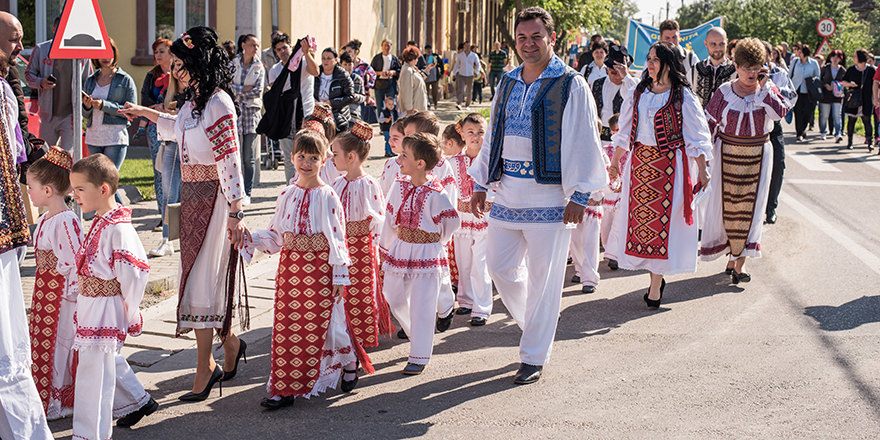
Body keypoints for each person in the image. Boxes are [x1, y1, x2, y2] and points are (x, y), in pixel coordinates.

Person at [469, 7, 608, 385]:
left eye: (536, 37)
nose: (528, 44)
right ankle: (535, 324)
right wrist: (481, 182)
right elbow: (494, 133)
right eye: (522, 38)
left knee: (545, 280)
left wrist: (581, 194)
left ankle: (533, 355)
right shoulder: (508, 80)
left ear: (552, 38)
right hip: (508, 191)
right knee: (499, 266)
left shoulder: (570, 83)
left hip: (551, 197)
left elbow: (584, 138)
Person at [119, 26, 249, 402]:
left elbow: (230, 159)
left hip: (217, 201)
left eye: (180, 64)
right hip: (192, 198)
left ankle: (204, 366)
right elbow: (174, 129)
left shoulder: (219, 103)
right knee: (196, 279)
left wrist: (236, 211)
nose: (175, 70)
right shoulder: (193, 103)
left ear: (199, 64)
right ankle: (231, 344)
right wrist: (143, 112)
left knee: (201, 282)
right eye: (174, 64)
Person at [239, 129, 365, 409]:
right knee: (287, 328)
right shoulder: (286, 193)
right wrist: (250, 238)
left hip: (320, 269)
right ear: (292, 157)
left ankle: (348, 361)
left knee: (329, 324)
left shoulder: (328, 196)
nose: (306, 163)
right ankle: (283, 388)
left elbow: (338, 239)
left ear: (324, 161)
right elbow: (276, 235)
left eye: (313, 158)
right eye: (301, 156)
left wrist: (339, 275)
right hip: (291, 269)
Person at [605, 41, 712, 309]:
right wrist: (616, 163)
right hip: (640, 166)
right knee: (644, 226)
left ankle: (655, 286)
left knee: (665, 226)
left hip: (671, 168)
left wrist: (703, 169)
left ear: (668, 63)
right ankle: (654, 280)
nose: (649, 64)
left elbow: (696, 136)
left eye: (655, 59)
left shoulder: (683, 95)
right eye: (649, 58)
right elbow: (625, 130)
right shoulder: (639, 92)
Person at [68, 154, 157, 438]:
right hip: (93, 307)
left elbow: (134, 275)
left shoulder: (119, 228)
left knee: (95, 375)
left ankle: (90, 433)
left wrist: (130, 312)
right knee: (96, 368)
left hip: (105, 309)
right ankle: (132, 405)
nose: (74, 195)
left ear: (103, 189)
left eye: (80, 189)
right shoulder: (101, 221)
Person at [0, 15, 54, 439]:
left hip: (5, 225)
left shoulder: (5, 88)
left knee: (7, 332)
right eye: (13, 40)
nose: (21, 48)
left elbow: (18, 148)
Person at [700, 38, 792, 284]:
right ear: (737, 66)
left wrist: (764, 87)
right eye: (746, 68)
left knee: (751, 210)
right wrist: (703, 160)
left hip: (758, 157)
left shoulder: (767, 90)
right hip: (726, 156)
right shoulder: (724, 92)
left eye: (756, 68)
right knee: (727, 209)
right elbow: (708, 125)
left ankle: (739, 265)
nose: (751, 73)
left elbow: (779, 113)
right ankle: (732, 257)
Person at [380, 133, 461, 375]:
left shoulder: (437, 194)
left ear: (420, 163)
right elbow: (389, 218)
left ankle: (419, 354)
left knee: (422, 305)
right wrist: (385, 248)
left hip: (427, 252)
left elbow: (452, 222)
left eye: (404, 155)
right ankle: (417, 331)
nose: (399, 159)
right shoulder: (399, 185)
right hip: (401, 247)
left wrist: (435, 242)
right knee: (393, 295)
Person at [25, 147, 81, 420]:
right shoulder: (47, 218)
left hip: (60, 296)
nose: (28, 192)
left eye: (31, 187)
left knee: (59, 345)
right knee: (43, 342)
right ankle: (46, 397)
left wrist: (73, 299)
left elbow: (74, 263)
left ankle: (59, 401)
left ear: (48, 190)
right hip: (45, 290)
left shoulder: (65, 220)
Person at [330, 121, 393, 362]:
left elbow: (379, 219)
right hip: (342, 245)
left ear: (351, 156)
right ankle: (344, 335)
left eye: (335, 154)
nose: (332, 159)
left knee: (362, 291)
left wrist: (375, 249)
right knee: (342, 292)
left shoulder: (369, 184)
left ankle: (362, 336)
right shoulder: (337, 184)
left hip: (362, 247)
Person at [449, 113, 494, 324]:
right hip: (462, 220)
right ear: (462, 135)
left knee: (480, 263)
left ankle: (482, 308)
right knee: (463, 262)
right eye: (471, 132)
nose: (475, 136)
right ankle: (466, 300)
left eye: (480, 132)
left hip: (486, 219)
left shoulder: (492, 160)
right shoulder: (452, 162)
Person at [82, 38, 138, 203]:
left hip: (115, 136)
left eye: (110, 52)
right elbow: (85, 114)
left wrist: (104, 105)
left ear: (115, 54)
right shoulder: (91, 80)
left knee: (108, 180)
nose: (106, 57)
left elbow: (131, 111)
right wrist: (87, 106)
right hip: (94, 136)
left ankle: (121, 213)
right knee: (98, 182)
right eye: (102, 53)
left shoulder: (125, 79)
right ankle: (108, 215)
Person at [24, 15, 90, 153]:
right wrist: (40, 82)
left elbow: (88, 81)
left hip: (71, 115)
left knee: (68, 156)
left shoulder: (81, 53)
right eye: (61, 28)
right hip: (47, 116)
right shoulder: (41, 49)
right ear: (53, 29)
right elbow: (28, 75)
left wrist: (86, 99)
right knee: (45, 155)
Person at [267, 33, 319, 184]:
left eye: (284, 47)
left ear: (290, 47)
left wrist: (306, 53)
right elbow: (275, 92)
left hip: (306, 115)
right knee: (290, 157)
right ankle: (292, 189)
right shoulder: (275, 70)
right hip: (286, 117)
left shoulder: (304, 62)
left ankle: (310, 187)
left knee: (310, 154)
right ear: (275, 52)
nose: (282, 51)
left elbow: (316, 72)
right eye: (278, 49)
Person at [141, 38, 177, 253]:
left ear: (172, 54)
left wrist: (169, 107)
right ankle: (164, 219)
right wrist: (155, 107)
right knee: (160, 171)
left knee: (174, 176)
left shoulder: (179, 74)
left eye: (162, 51)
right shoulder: (151, 75)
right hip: (156, 126)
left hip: (175, 126)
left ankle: (173, 223)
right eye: (156, 52)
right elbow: (144, 98)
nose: (158, 55)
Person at [762, 40, 798, 226]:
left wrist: (769, 88)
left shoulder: (779, 73)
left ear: (770, 56)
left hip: (773, 126)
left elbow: (791, 97)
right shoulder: (745, 72)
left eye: (764, 55)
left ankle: (771, 208)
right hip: (752, 128)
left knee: (779, 164)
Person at [232, 33, 265, 206]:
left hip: (251, 113)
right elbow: (228, 87)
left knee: (248, 156)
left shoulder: (260, 66)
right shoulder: (233, 64)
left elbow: (258, 91)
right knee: (235, 154)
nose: (255, 48)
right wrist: (245, 89)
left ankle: (247, 192)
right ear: (243, 45)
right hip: (236, 112)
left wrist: (239, 92)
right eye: (252, 45)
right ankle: (235, 191)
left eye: (257, 45)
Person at [592, 44, 637, 141]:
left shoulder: (633, 84)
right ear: (607, 69)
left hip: (623, 139)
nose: (618, 76)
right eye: (614, 72)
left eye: (621, 72)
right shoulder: (598, 84)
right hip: (600, 137)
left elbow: (636, 98)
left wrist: (626, 77)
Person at [691, 27, 735, 108]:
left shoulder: (737, 70)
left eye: (721, 44)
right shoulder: (695, 70)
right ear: (706, 44)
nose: (718, 48)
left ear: (727, 42)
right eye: (713, 44)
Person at [315, 47, 356, 132]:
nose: (325, 61)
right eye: (323, 58)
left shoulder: (343, 75)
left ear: (336, 60)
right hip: (318, 117)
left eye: (329, 58)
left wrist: (331, 102)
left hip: (338, 120)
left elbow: (350, 97)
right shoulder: (315, 73)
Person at [842, 49, 876, 151]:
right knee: (851, 120)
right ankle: (850, 142)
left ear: (860, 58)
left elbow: (875, 84)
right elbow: (843, 82)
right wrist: (850, 84)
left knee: (867, 120)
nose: (853, 58)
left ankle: (870, 142)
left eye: (855, 56)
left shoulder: (870, 70)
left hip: (866, 99)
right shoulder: (851, 69)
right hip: (854, 99)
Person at [788, 44, 820, 142]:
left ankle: (803, 129)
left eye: (800, 52)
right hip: (797, 90)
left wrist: (810, 80)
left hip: (808, 91)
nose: (798, 54)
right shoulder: (795, 61)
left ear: (805, 53)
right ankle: (799, 133)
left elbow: (818, 77)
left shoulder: (813, 63)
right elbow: (789, 75)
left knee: (808, 112)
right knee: (798, 112)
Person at [819, 49, 846, 142]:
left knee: (837, 115)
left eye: (837, 58)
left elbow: (845, 82)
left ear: (840, 60)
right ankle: (823, 132)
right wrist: (826, 85)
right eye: (833, 57)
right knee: (824, 115)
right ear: (830, 58)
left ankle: (838, 133)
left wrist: (839, 86)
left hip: (837, 96)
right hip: (825, 96)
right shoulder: (825, 68)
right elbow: (819, 80)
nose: (835, 59)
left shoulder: (842, 70)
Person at [371, 39, 401, 118]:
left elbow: (399, 70)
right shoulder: (377, 58)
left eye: (388, 45)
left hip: (390, 82)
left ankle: (393, 120)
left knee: (392, 103)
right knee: (380, 105)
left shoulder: (394, 58)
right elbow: (371, 71)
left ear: (391, 47)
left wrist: (393, 72)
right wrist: (380, 73)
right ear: (381, 46)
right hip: (379, 83)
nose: (387, 47)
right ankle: (382, 122)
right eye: (385, 45)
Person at [399, 46, 429, 115]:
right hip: (414, 110)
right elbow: (406, 91)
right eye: (416, 58)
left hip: (418, 107)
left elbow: (418, 80)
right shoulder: (407, 71)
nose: (417, 60)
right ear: (412, 58)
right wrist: (409, 109)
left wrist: (427, 70)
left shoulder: (412, 68)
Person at [453, 41, 481, 110]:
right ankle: (460, 103)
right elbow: (457, 65)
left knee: (469, 90)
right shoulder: (460, 55)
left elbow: (478, 64)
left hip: (470, 75)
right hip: (461, 74)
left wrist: (477, 72)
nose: (467, 47)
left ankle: (467, 105)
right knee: (460, 90)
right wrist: (454, 73)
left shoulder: (474, 55)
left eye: (469, 46)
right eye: (466, 46)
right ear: (464, 47)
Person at [339, 51, 366, 120]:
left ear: (353, 64)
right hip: (339, 114)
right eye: (345, 64)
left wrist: (356, 96)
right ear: (340, 64)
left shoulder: (358, 79)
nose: (347, 67)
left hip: (354, 114)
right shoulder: (336, 79)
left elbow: (363, 97)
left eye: (349, 64)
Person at [423, 45, 442, 109]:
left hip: (434, 77)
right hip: (426, 77)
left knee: (435, 91)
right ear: (425, 50)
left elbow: (441, 63)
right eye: (427, 49)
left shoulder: (434, 56)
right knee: (426, 91)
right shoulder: (423, 57)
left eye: (430, 49)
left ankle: (435, 103)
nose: (429, 51)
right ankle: (427, 103)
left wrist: (441, 73)